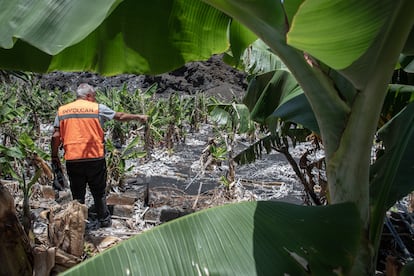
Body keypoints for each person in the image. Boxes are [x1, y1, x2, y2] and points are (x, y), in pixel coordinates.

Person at [51, 83, 148, 228]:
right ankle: (104, 220)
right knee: (98, 191)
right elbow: (119, 116)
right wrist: (139, 117)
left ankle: (78, 223)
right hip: (95, 157)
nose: (94, 99)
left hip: (73, 158)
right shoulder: (97, 108)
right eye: (94, 97)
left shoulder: (62, 110)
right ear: (89, 96)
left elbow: (56, 136)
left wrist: (54, 155)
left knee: (77, 193)